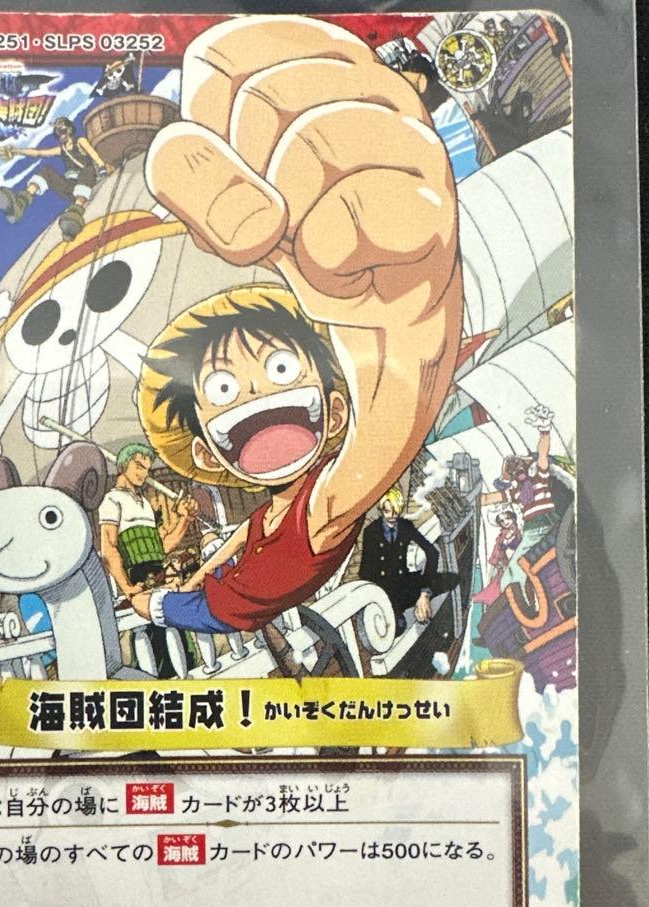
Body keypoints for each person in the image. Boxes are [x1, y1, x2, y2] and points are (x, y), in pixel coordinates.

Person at [125, 18, 462, 649]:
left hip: (229, 613)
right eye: (224, 388)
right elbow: (241, 536)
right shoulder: (277, 509)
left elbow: (381, 443)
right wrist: (197, 569)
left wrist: (406, 314)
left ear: (335, 412)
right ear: (208, 454)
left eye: (280, 369)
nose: (258, 393)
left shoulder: (323, 507)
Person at [98, 443, 197, 597]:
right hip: (139, 581)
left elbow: (162, 548)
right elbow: (108, 548)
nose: (144, 474)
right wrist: (127, 588)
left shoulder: (145, 503)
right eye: (139, 466)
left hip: (162, 577)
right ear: (123, 466)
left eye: (147, 469)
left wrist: (185, 519)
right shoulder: (112, 500)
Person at [479, 404, 560, 590]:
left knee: (513, 573)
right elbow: (488, 499)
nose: (518, 473)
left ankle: (523, 595)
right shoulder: (520, 490)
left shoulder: (538, 478)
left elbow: (543, 453)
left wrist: (545, 430)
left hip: (541, 528)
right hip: (539, 529)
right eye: (515, 471)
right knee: (514, 571)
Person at [358, 488, 459, 634]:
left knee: (452, 579)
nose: (391, 516)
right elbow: (365, 572)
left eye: (395, 512)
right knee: (399, 627)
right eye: (387, 511)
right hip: (384, 590)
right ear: (381, 510)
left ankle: (421, 603)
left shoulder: (405, 526)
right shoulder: (371, 531)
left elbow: (432, 553)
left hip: (404, 583)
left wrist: (424, 594)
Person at [0, 116, 108, 238]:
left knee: (87, 171)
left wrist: (101, 167)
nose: (60, 134)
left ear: (69, 129)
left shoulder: (80, 141)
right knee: (46, 171)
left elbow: (93, 154)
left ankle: (75, 213)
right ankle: (20, 203)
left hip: (87, 181)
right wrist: (15, 151)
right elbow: (39, 153)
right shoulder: (62, 149)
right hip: (71, 187)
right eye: (57, 133)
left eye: (62, 130)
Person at [472, 508, 521, 606]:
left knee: (503, 581)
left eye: (507, 518)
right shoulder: (504, 534)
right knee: (497, 581)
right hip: (505, 562)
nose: (505, 522)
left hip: (515, 562)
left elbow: (515, 546)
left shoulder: (516, 531)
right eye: (502, 521)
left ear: (513, 518)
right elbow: (499, 548)